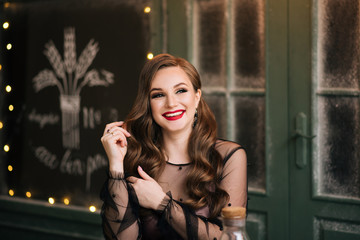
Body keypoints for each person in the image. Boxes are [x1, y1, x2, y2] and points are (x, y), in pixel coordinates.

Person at [100, 53, 247, 240]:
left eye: (181, 91)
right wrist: (115, 165)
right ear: (148, 104)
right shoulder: (135, 157)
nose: (171, 103)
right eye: (158, 95)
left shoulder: (228, 156)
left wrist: (161, 203)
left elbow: (230, 238)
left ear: (197, 96)